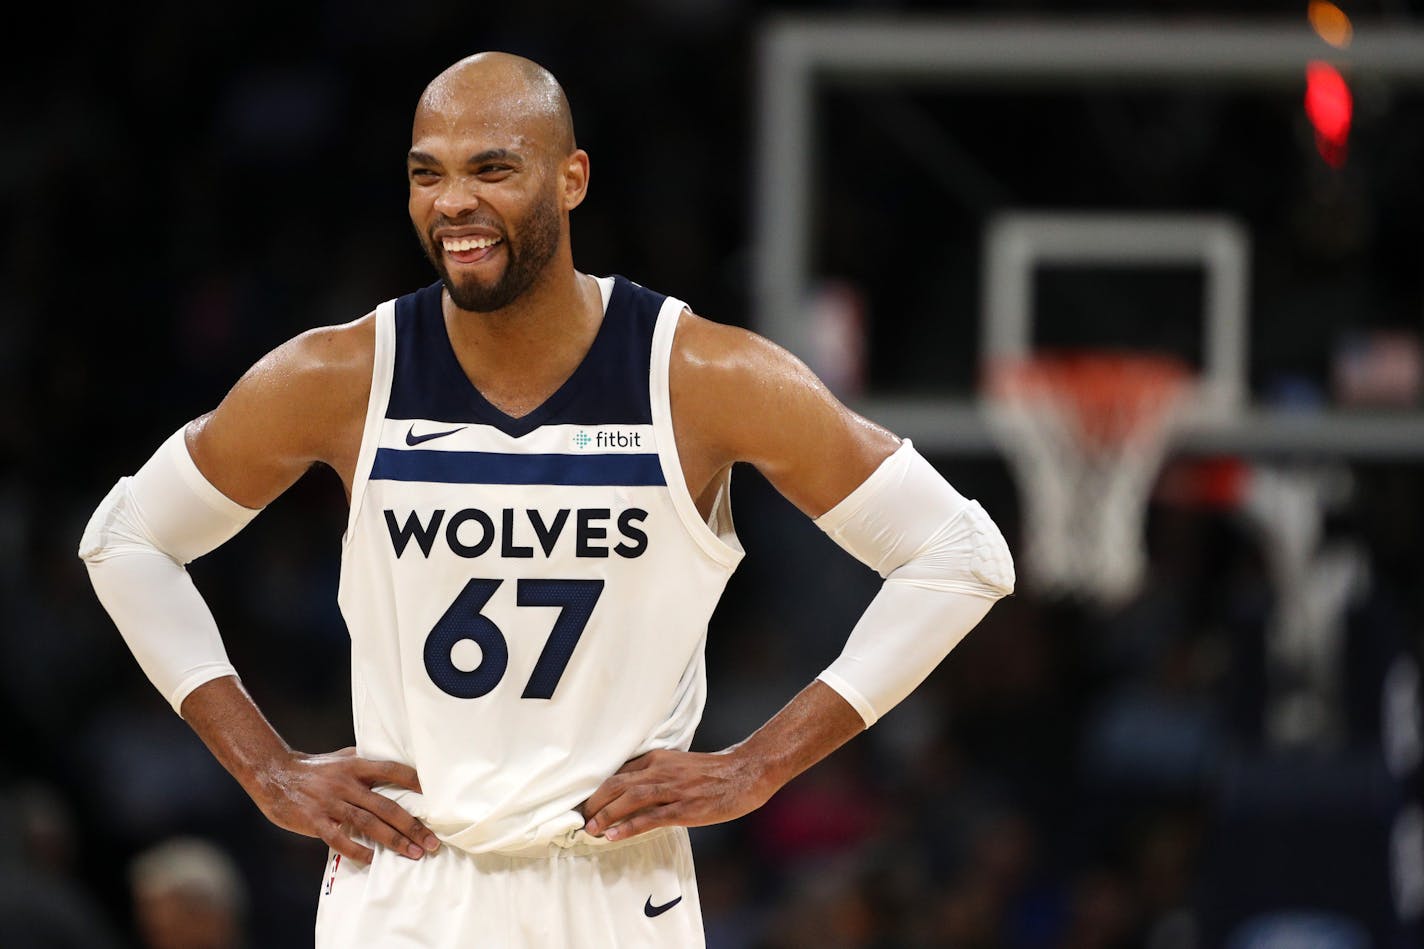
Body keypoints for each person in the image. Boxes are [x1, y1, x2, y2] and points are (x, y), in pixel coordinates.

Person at [79, 52, 1014, 947]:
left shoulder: (699, 375)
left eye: (492, 169)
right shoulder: (341, 375)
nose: (453, 203)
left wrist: (759, 764)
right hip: (408, 878)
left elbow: (961, 555)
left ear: (571, 178)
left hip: (614, 879)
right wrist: (263, 766)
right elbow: (126, 537)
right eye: (426, 173)